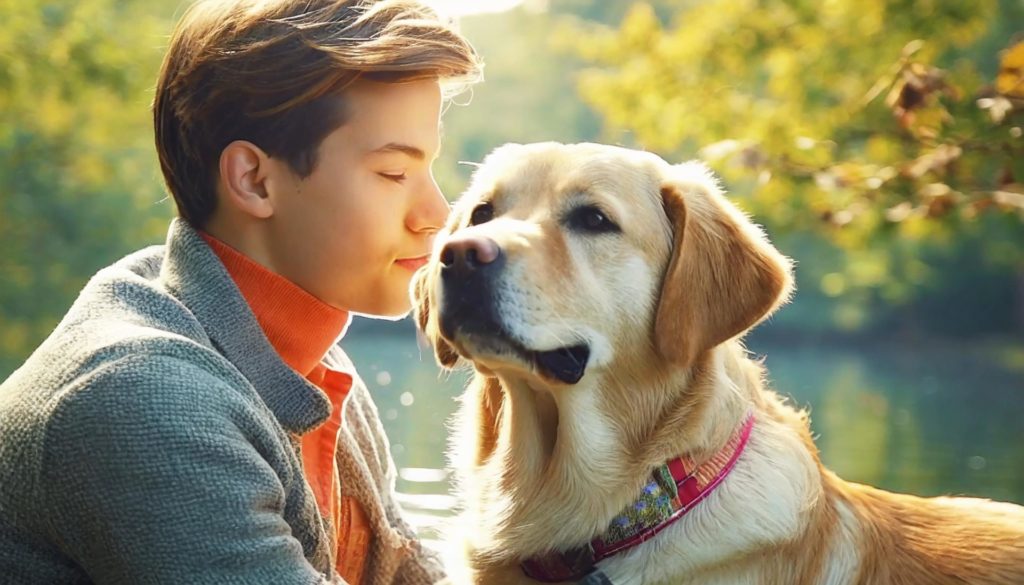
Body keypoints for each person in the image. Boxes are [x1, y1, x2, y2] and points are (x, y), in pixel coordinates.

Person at [0, 0, 481, 582]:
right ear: (254, 180)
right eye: (393, 174)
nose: (437, 214)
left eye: (428, 170)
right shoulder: (145, 401)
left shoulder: (313, 365)